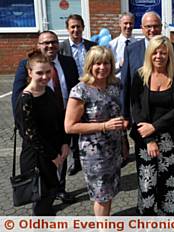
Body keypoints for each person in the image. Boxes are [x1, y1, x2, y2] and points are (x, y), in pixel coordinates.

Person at [11, 31, 78, 204]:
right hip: (38, 151)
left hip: (58, 135)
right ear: (30, 72)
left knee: (52, 187)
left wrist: (64, 143)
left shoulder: (48, 87)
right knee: (41, 201)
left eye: (48, 73)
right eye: (40, 73)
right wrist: (52, 156)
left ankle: (60, 191)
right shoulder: (26, 96)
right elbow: (30, 131)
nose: (45, 77)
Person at [64, 46, 128, 216]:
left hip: (113, 150)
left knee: (110, 192)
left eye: (106, 63)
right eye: (97, 63)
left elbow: (118, 117)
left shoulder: (115, 85)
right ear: (89, 65)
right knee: (101, 196)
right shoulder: (80, 90)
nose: (102, 67)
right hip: (94, 154)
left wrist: (123, 143)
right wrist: (104, 126)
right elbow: (70, 126)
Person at [130, 35, 174, 216]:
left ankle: (170, 218)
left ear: (169, 54)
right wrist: (149, 138)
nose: (159, 56)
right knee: (147, 182)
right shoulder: (140, 76)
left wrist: (154, 127)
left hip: (169, 139)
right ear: (149, 54)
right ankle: (147, 217)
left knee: (169, 182)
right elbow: (135, 108)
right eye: (155, 52)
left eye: (163, 53)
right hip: (145, 139)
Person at [121, 11, 174, 122]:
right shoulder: (131, 50)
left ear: (161, 27)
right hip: (139, 117)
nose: (152, 30)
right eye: (148, 26)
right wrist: (125, 115)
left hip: (167, 118)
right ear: (141, 28)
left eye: (156, 26)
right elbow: (125, 83)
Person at [59, 14, 97, 177]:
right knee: (72, 128)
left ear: (83, 27)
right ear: (68, 29)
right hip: (71, 93)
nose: (75, 29)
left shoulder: (92, 46)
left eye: (78, 26)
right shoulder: (61, 47)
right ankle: (76, 161)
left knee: (90, 124)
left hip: (91, 91)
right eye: (72, 27)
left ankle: (90, 156)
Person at [109, 12, 138, 79]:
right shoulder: (112, 45)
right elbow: (108, 68)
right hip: (117, 82)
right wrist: (119, 64)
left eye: (131, 23)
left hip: (134, 82)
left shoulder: (138, 45)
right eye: (125, 23)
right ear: (120, 24)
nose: (128, 26)